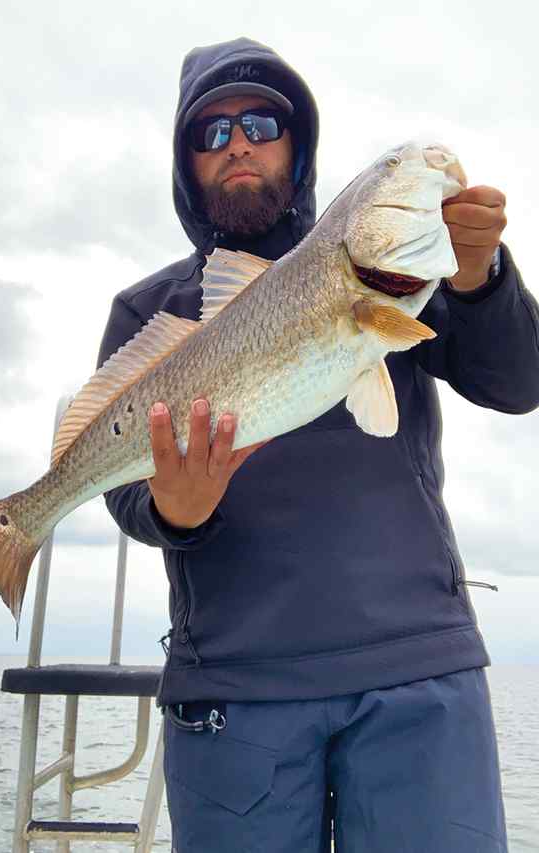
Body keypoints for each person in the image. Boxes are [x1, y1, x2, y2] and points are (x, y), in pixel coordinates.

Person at [96, 37, 539, 853]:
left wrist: (481, 279)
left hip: (417, 668)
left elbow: (517, 383)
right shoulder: (151, 314)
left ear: (297, 146)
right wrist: (173, 510)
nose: (238, 144)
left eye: (261, 124)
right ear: (186, 161)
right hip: (234, 687)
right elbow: (121, 487)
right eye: (212, 132)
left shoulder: (400, 277)